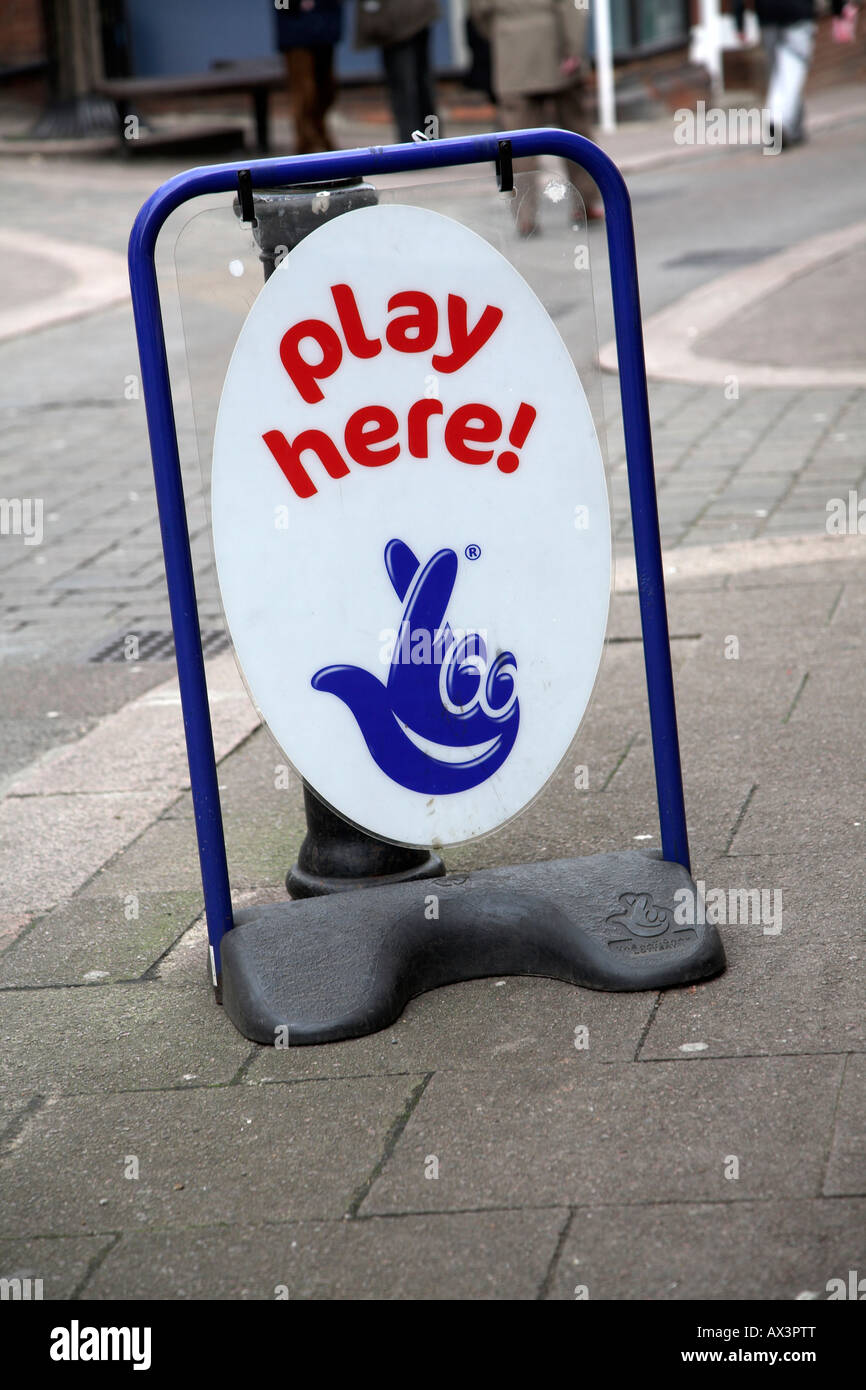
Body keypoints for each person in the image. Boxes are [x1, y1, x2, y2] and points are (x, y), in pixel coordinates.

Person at [470, 0, 601, 235]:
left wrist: (505, 31)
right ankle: (586, 202)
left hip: (511, 52)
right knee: (575, 131)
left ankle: (524, 215)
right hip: (555, 47)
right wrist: (573, 49)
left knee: (515, 143)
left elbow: (479, 11)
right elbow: (572, 7)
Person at [734, 0, 855, 148]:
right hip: (798, 13)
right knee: (792, 67)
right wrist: (838, 8)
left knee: (779, 73)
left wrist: (739, 20)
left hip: (767, 15)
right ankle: (778, 118)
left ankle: (793, 127)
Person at [355, 1, 441, 144]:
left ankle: (411, 144)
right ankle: (433, 140)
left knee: (403, 85)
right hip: (419, 13)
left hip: (395, 21)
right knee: (421, 80)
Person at [275, 0, 343, 155]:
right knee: (304, 92)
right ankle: (306, 142)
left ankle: (320, 133)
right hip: (295, 34)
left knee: (328, 90)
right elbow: (279, 4)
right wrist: (296, 4)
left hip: (325, 30)